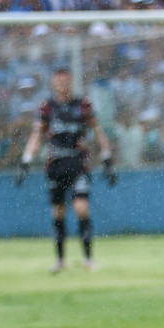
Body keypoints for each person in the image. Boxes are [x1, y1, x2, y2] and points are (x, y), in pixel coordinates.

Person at [15, 66, 116, 273]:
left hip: (78, 164)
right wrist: (25, 161)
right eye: (58, 82)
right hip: (56, 165)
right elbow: (36, 136)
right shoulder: (47, 108)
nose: (62, 85)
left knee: (81, 208)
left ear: (70, 83)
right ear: (53, 84)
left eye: (65, 82)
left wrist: (107, 158)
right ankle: (60, 260)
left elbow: (98, 131)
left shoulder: (83, 105)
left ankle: (88, 259)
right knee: (58, 213)